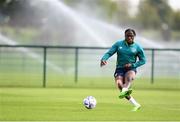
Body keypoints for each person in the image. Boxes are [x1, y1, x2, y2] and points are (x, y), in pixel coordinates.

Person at [100, 28, 146, 111]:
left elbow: (143, 60)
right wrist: (104, 59)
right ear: (125, 36)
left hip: (131, 68)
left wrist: (133, 64)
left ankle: (125, 89)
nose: (129, 37)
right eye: (127, 36)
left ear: (134, 36)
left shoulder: (137, 47)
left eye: (131, 36)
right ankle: (136, 104)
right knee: (119, 84)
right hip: (119, 69)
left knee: (129, 79)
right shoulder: (118, 44)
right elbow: (109, 52)